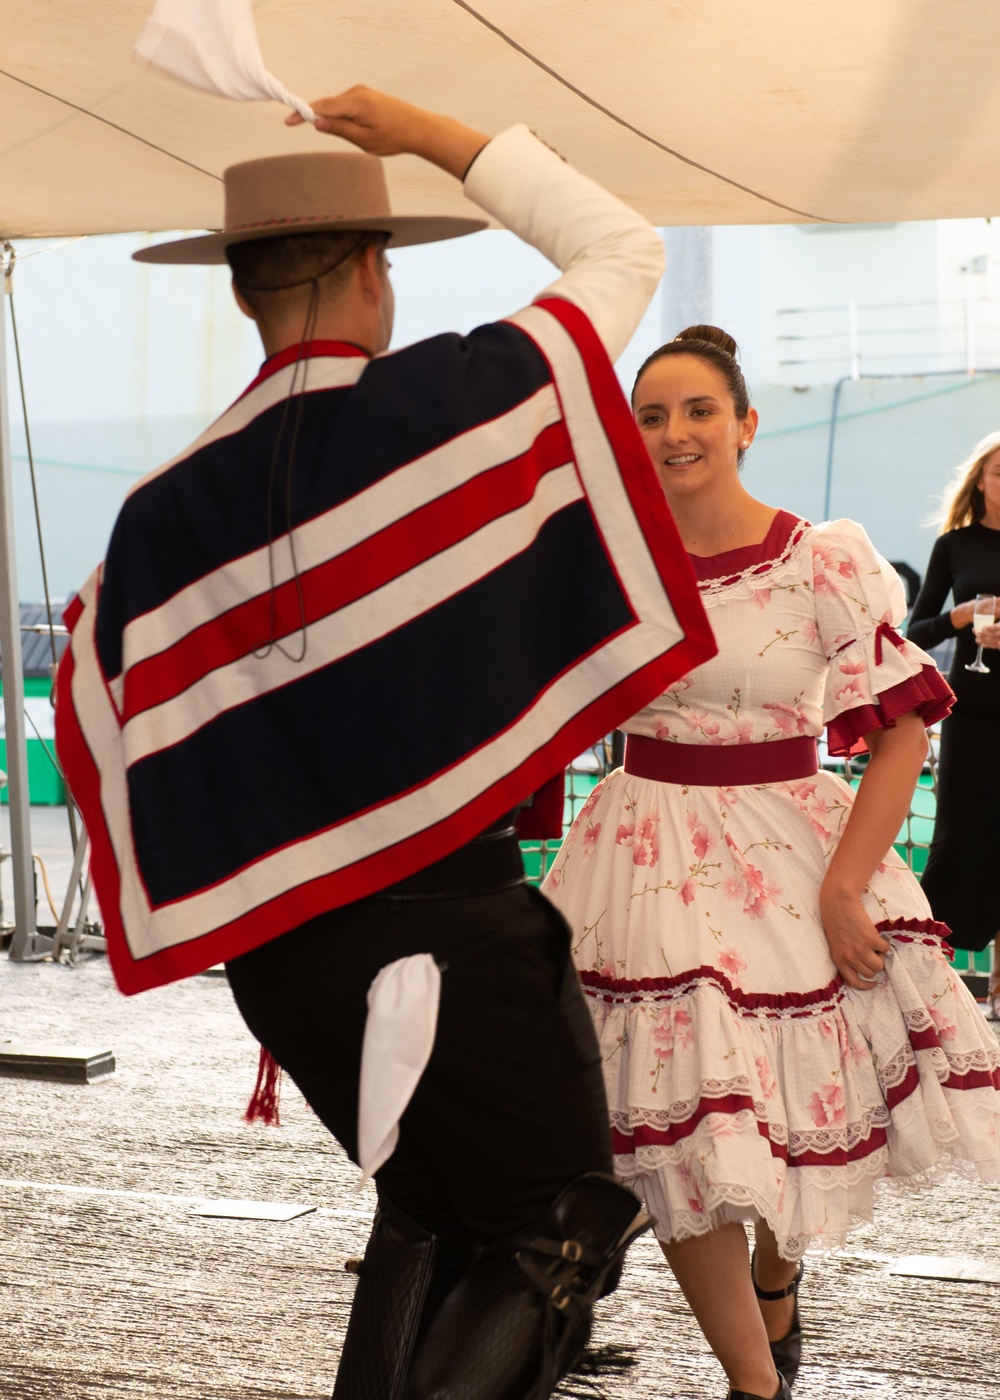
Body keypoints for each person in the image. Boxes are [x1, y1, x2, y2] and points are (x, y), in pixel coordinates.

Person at [54, 87, 720, 1399]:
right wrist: (435, 134)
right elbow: (626, 248)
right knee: (560, 1225)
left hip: (287, 963)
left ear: (243, 293)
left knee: (437, 1214)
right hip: (452, 934)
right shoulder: (461, 399)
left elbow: (103, 697)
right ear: (376, 270)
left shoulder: (166, 511)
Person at [543, 325, 1000, 1400]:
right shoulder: (609, 564)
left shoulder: (821, 557)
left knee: (787, 1121)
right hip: (640, 852)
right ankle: (754, 1380)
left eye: (697, 410)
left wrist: (846, 885)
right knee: (678, 1133)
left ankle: (778, 1268)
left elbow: (901, 732)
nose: (673, 432)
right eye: (649, 416)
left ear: (745, 423)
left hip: (789, 856)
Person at [907, 432, 1000, 1020]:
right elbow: (914, 633)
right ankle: (927, 979)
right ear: (981, 481)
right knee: (955, 840)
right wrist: (960, 618)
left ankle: (998, 992)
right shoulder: (954, 546)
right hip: (968, 717)